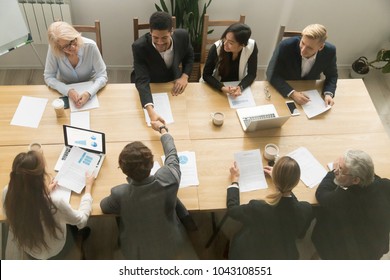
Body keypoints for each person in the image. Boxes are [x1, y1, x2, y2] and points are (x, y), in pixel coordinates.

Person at [100, 122, 197, 259]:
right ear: (151, 164)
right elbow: (172, 154)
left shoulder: (120, 193)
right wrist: (163, 130)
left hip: (138, 252)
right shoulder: (169, 177)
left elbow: (104, 206)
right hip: (172, 243)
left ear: (123, 170)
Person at [3, 150, 95, 259]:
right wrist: (88, 188)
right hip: (56, 249)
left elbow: (29, 204)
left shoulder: (7, 193)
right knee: (73, 225)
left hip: (31, 250)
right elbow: (81, 221)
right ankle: (77, 240)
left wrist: (45, 192)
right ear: (41, 177)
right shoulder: (55, 202)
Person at [226, 156, 313, 259]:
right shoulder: (306, 209)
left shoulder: (258, 208)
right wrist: (282, 181)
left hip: (252, 253)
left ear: (275, 178)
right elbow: (299, 233)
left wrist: (234, 181)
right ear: (296, 182)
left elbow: (232, 210)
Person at [312, 150, 390, 259]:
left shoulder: (344, 198)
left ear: (355, 180)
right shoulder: (386, 185)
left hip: (354, 255)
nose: (337, 171)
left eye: (341, 170)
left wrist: (332, 171)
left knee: (320, 212)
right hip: (377, 247)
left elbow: (321, 193)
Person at [131, 11, 194, 123]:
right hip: (150, 83)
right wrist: (151, 112)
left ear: (172, 32)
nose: (160, 43)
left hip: (172, 81)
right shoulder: (139, 47)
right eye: (155, 38)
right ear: (150, 32)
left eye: (164, 38)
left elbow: (189, 56)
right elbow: (142, 80)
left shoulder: (183, 36)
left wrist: (185, 76)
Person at [266, 23, 337, 106]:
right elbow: (271, 73)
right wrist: (292, 93)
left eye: (309, 48)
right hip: (285, 85)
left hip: (311, 88)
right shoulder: (285, 46)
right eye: (302, 43)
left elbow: (332, 75)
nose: (303, 50)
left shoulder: (330, 51)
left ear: (321, 47)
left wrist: (328, 94)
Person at [44, 21, 108, 108]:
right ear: (58, 48)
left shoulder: (91, 46)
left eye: (73, 40)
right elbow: (49, 76)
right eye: (66, 46)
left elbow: (102, 75)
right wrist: (67, 91)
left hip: (90, 86)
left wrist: (89, 93)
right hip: (65, 87)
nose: (73, 47)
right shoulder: (53, 50)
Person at [202, 23, 258, 97]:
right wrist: (222, 88)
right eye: (225, 38)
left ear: (243, 45)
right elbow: (206, 75)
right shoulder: (217, 47)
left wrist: (240, 87)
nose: (225, 44)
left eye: (230, 43)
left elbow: (252, 74)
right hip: (218, 85)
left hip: (238, 83)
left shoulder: (251, 47)